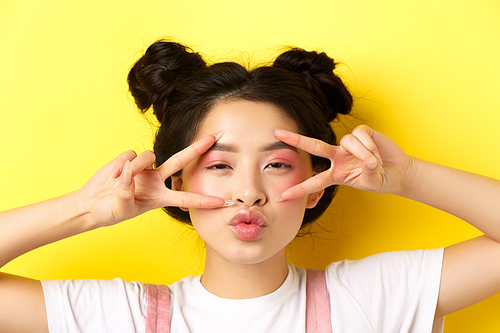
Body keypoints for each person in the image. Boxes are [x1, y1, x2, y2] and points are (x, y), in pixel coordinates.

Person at [1, 39, 500, 333]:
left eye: (278, 164)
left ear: (314, 183)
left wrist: (409, 176)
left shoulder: (371, 301)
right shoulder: (124, 318)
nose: (249, 192)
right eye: (220, 165)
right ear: (177, 179)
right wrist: (86, 209)